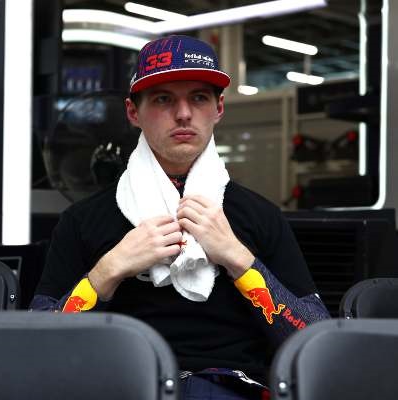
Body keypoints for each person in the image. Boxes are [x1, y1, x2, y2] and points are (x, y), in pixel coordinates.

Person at [31, 35, 330, 399]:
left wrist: (239, 259)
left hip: (230, 387)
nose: (184, 113)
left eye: (199, 98)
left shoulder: (258, 215)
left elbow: (316, 342)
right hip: (122, 383)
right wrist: (106, 272)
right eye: (163, 99)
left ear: (219, 108)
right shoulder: (83, 220)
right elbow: (38, 344)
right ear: (132, 112)